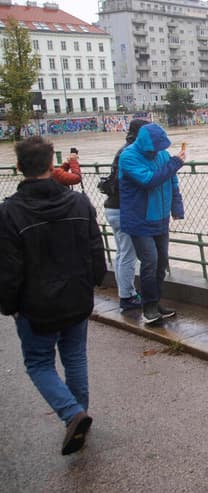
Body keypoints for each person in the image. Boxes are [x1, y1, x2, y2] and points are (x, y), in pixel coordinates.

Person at [0, 136, 106, 455]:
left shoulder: (9, 213)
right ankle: (78, 414)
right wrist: (93, 283)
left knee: (38, 362)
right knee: (74, 355)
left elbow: (8, 269)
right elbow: (94, 248)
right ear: (51, 165)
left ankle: (73, 414)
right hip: (76, 297)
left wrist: (10, 306)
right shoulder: (78, 203)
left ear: (19, 168)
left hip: (36, 306)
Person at [118, 123, 185, 324]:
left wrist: (176, 208)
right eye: (154, 148)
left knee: (161, 262)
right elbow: (148, 180)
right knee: (150, 261)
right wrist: (174, 163)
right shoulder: (128, 156)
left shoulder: (164, 156)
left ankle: (156, 302)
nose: (157, 152)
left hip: (160, 218)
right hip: (139, 219)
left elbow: (172, 182)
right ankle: (148, 307)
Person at [100, 119, 148, 311]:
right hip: (123, 210)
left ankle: (126, 293)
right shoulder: (132, 153)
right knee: (128, 254)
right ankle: (127, 297)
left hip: (112, 208)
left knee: (121, 253)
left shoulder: (123, 149)